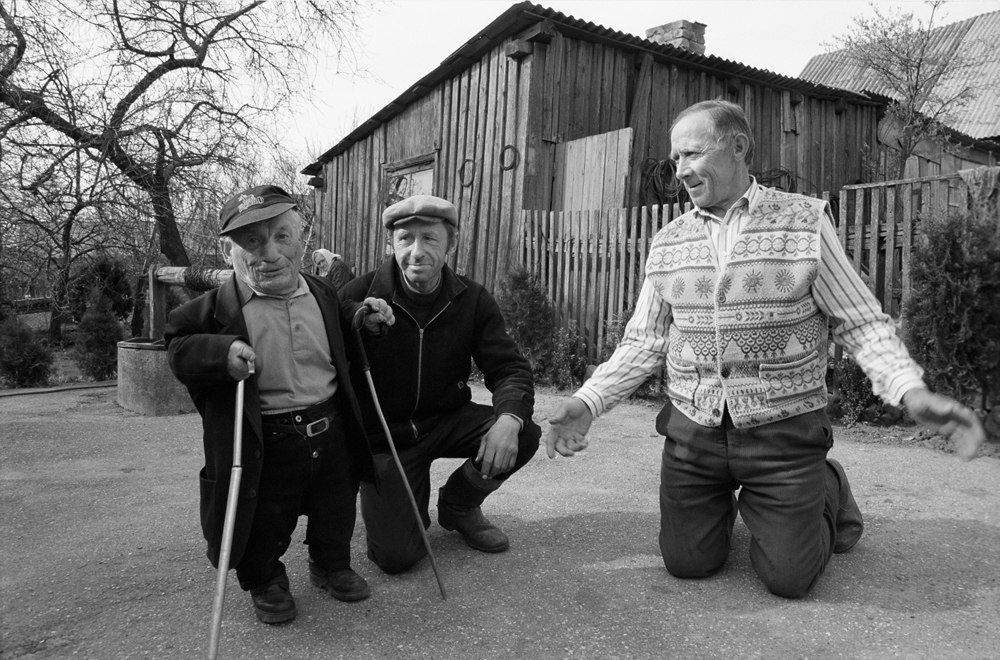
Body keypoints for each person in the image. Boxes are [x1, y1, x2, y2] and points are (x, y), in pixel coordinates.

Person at [546, 100, 986, 599]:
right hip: (694, 433)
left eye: (692, 153)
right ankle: (725, 504)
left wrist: (910, 391)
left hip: (784, 434)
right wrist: (588, 402)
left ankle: (826, 484)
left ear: (738, 146)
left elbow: (859, 321)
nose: (681, 170)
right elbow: (644, 340)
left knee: (789, 579)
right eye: (675, 158)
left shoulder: (803, 222)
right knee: (688, 564)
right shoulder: (669, 241)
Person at [165, 185, 394, 624]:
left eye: (282, 237)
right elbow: (178, 348)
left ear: (301, 239)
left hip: (331, 428)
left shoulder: (322, 292)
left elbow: (344, 317)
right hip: (265, 440)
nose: (270, 253)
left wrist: (364, 317)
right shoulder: (208, 312)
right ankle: (265, 579)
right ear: (228, 249)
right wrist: (222, 352)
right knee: (263, 520)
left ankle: (330, 565)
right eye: (252, 241)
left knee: (336, 508)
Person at [340, 194, 541, 574]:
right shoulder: (357, 297)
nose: (416, 252)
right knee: (397, 558)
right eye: (405, 238)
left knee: (523, 432)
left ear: (452, 242)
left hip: (447, 420)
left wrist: (509, 419)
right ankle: (403, 509)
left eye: (429, 238)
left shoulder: (472, 299)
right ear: (391, 243)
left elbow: (509, 367)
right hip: (387, 438)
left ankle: (459, 505)